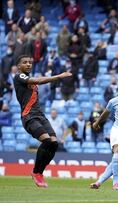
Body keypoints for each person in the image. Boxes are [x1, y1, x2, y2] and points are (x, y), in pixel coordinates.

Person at [13, 55, 72, 187]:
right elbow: (38, 81)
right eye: (25, 62)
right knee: (46, 140)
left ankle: (39, 173)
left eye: (30, 62)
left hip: (40, 115)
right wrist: (58, 76)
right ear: (19, 66)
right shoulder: (19, 76)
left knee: (54, 143)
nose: (28, 64)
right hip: (29, 116)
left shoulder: (28, 79)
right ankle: (35, 172)